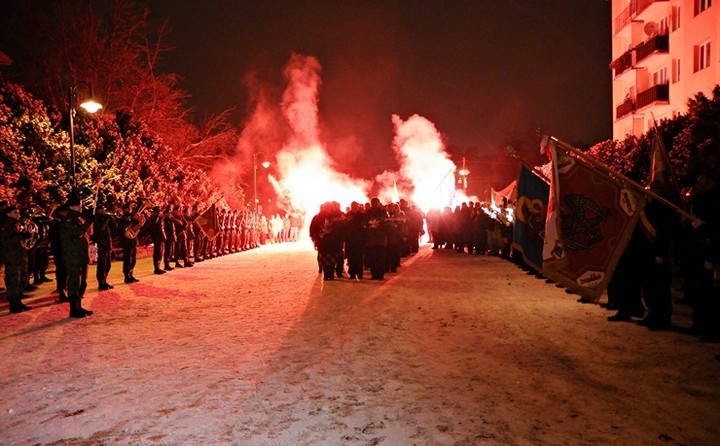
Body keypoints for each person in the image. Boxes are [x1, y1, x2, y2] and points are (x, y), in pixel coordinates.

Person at [59, 193, 94, 318]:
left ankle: (79, 305)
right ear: (72, 206)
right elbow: (76, 233)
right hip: (72, 255)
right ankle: (73, 308)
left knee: (82, 282)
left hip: (81, 254)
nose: (81, 207)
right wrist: (88, 222)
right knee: (74, 282)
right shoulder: (68, 220)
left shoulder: (79, 218)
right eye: (79, 205)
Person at [0, 205, 32, 313]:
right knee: (13, 281)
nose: (18, 214)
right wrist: (21, 236)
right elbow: (6, 241)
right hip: (11, 257)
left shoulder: (16, 224)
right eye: (15, 212)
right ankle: (13, 304)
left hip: (20, 255)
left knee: (23, 279)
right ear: (8, 214)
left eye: (18, 212)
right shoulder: (5, 225)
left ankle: (18, 300)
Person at [93, 200, 116, 290]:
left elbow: (115, 226)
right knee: (102, 264)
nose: (104, 210)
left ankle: (104, 280)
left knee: (108, 264)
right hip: (101, 243)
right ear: (98, 210)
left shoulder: (104, 218)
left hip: (107, 243)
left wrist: (112, 218)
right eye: (103, 209)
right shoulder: (97, 218)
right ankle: (101, 282)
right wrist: (106, 219)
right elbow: (101, 229)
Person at [118, 202, 141, 283]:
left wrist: (137, 224)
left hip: (132, 240)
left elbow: (136, 229)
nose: (130, 209)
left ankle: (131, 274)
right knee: (127, 259)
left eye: (130, 208)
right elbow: (124, 228)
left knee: (133, 260)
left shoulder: (132, 217)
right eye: (128, 208)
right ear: (124, 209)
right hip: (126, 241)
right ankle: (126, 276)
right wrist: (132, 223)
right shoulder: (122, 218)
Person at [148, 206, 166, 274]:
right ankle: (156, 268)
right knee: (157, 252)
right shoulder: (153, 217)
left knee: (160, 252)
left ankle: (158, 267)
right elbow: (154, 222)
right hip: (156, 236)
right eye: (158, 210)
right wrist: (157, 215)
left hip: (160, 236)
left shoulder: (158, 217)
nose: (159, 211)